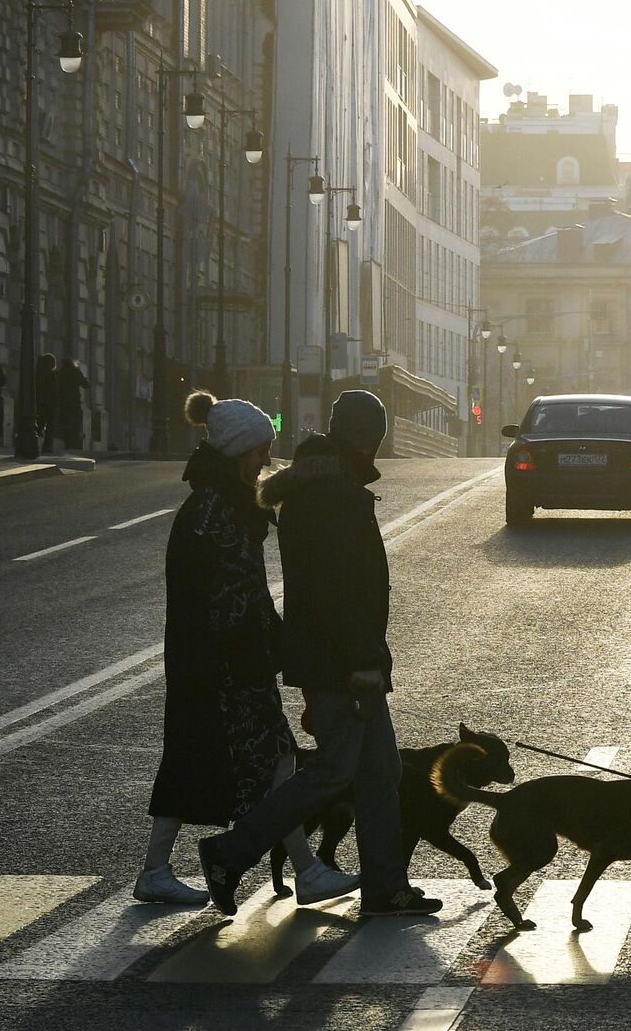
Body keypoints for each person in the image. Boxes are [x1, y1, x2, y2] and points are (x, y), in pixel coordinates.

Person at [198, 390, 440, 919]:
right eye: (376, 432)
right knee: (333, 770)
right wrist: (364, 662)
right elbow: (343, 591)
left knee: (380, 771)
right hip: (345, 660)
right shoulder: (337, 496)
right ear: (365, 436)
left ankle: (384, 887)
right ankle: (230, 851)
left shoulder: (316, 487)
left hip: (332, 653)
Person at [136, 398, 360, 907]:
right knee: (261, 759)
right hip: (226, 664)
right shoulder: (219, 510)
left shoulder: (215, 501)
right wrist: (277, 645)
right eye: (261, 450)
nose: (265, 460)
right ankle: (303, 872)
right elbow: (238, 593)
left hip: (213, 660)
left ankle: (301, 871)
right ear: (239, 452)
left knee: (229, 760)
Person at [54, 357, 90, 450]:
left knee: (64, 421)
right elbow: (86, 385)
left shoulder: (60, 372)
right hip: (74, 401)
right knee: (75, 422)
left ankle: (67, 442)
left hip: (62, 401)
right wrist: (85, 377)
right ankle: (74, 443)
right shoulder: (75, 371)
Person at [35, 353, 58, 454]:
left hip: (40, 402)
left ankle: (35, 442)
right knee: (50, 426)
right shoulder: (51, 374)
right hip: (50, 403)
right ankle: (47, 446)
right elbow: (54, 389)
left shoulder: (38, 373)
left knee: (39, 424)